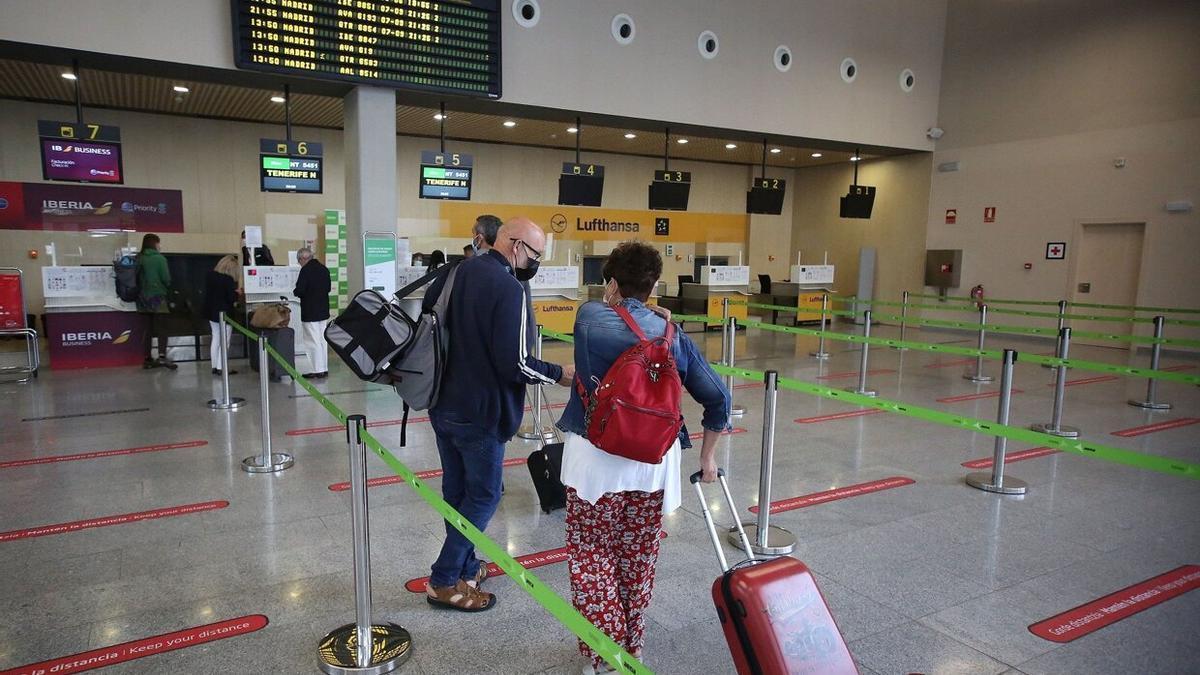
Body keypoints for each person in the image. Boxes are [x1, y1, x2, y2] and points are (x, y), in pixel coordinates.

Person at [555, 241, 729, 673]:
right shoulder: (674, 336)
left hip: (595, 463)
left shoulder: (588, 318)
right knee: (638, 558)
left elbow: (608, 313)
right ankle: (632, 650)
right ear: (654, 286)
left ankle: (605, 656)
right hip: (654, 464)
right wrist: (707, 459)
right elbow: (718, 399)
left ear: (610, 283)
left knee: (592, 558)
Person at [422, 217, 574, 612]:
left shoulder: (457, 272)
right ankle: (442, 579)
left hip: (442, 403)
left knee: (457, 493)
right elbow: (516, 362)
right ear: (513, 243)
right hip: (482, 412)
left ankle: (466, 565)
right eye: (534, 254)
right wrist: (559, 374)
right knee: (485, 495)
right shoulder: (509, 287)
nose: (535, 263)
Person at [134, 234, 177, 370]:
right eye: (159, 243)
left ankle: (147, 358)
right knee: (162, 328)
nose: (160, 246)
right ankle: (162, 356)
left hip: (142, 299)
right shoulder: (159, 259)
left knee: (147, 329)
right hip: (157, 298)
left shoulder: (138, 258)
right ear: (155, 244)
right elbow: (166, 278)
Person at [293, 247, 331, 379]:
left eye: (299, 261)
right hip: (323, 310)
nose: (300, 264)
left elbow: (300, 290)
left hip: (310, 311)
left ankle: (317, 369)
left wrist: (295, 292)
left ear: (303, 258)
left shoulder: (305, 270)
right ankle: (324, 367)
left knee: (312, 341)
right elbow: (328, 288)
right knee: (322, 340)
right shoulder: (323, 269)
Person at [203, 254, 241, 375]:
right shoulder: (228, 280)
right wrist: (238, 293)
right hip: (225, 313)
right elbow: (231, 298)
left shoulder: (210, 276)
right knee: (225, 341)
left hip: (211, 312)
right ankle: (221, 367)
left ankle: (214, 366)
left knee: (216, 338)